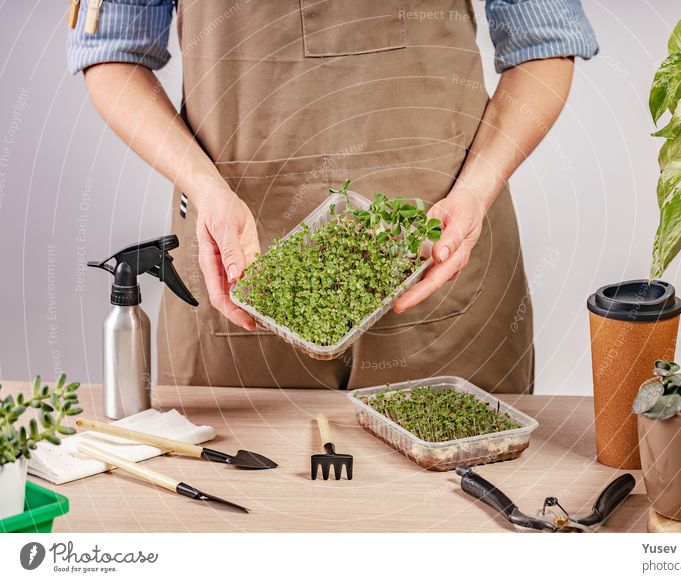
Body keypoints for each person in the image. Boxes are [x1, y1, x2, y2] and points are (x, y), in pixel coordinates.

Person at [68, 0, 597, 393]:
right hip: (242, 269)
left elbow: (544, 42)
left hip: (443, 260)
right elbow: (112, 55)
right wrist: (204, 188)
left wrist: (477, 191)